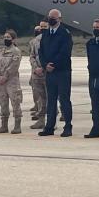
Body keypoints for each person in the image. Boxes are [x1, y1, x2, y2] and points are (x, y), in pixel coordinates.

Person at [38, 9, 74, 137]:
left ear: (60, 19)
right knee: (51, 100)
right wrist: (45, 64)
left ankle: (68, 126)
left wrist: (53, 64)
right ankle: (49, 126)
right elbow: (41, 51)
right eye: (50, 17)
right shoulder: (46, 34)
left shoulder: (65, 33)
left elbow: (65, 52)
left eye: (54, 18)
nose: (51, 20)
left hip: (62, 71)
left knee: (64, 100)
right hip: (50, 72)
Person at [0, 30, 23, 134]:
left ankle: (17, 126)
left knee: (15, 102)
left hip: (12, 81)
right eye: (5, 37)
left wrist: (5, 76)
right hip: (0, 82)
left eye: (8, 37)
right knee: (3, 103)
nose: (6, 39)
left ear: (13, 39)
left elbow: (14, 66)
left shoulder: (16, 51)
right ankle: (4, 125)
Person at [29, 21, 49, 129]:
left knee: (50, 98)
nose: (42, 28)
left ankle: (51, 121)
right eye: (41, 27)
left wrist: (44, 67)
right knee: (40, 98)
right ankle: (41, 120)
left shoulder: (52, 39)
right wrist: (36, 68)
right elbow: (32, 56)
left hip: (48, 73)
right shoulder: (35, 41)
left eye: (45, 27)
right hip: (37, 73)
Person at [28, 25, 42, 119]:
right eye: (36, 30)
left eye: (39, 30)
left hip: (42, 69)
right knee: (35, 91)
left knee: (43, 94)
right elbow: (31, 55)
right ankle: (37, 107)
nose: (37, 31)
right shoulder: (32, 42)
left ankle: (41, 111)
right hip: (34, 70)